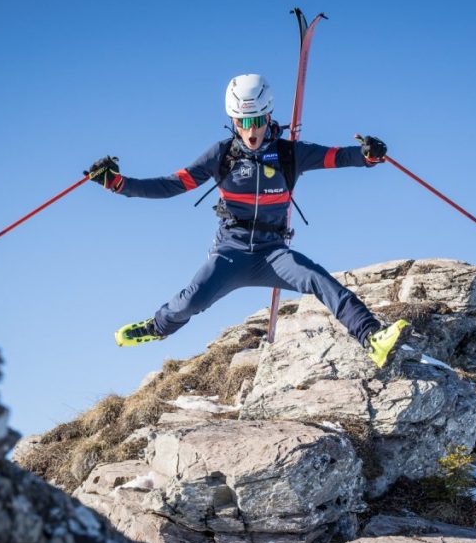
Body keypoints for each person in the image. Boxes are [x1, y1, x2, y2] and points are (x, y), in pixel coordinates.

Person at [87, 74, 409, 368]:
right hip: (231, 251)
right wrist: (118, 184)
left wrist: (368, 155)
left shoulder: (289, 153)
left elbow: (339, 156)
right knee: (190, 302)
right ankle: (156, 327)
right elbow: (171, 185)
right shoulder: (221, 155)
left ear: (268, 116)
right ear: (233, 120)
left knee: (318, 279)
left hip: (273, 253)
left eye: (256, 120)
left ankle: (371, 337)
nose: (251, 130)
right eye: (243, 121)